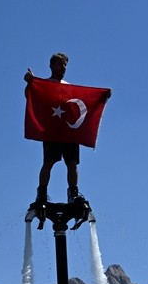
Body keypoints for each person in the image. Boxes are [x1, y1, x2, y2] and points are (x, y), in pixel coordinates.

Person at [24, 53, 111, 205]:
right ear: (51, 66)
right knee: (49, 162)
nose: (62, 67)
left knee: (72, 163)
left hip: (69, 132)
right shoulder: (45, 85)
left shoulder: (69, 87)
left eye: (64, 64)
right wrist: (30, 83)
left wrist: (102, 97)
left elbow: (83, 103)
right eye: (59, 63)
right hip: (52, 131)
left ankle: (73, 193)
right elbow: (31, 96)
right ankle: (42, 193)